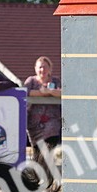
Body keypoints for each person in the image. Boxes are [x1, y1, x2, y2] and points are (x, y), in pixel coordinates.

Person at [22, 56, 63, 185]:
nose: (42, 69)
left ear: (50, 68)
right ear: (35, 68)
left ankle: (49, 178)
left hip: (52, 122)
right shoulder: (31, 81)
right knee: (37, 150)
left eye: (45, 67)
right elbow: (25, 92)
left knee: (50, 149)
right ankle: (36, 178)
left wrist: (50, 91)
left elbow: (63, 92)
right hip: (34, 123)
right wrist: (43, 92)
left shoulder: (56, 81)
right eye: (40, 67)